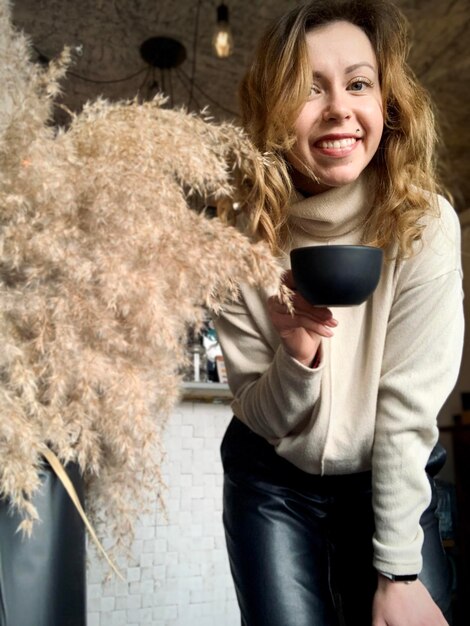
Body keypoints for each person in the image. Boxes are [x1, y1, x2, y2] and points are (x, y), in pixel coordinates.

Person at [213, 1, 465, 624]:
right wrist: (298, 360)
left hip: (390, 468)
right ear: (273, 112)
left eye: (358, 83)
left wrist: (398, 570)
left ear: (388, 103)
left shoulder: (423, 224)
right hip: (271, 481)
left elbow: (406, 411)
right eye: (307, 89)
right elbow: (259, 412)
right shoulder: (237, 236)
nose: (339, 110)